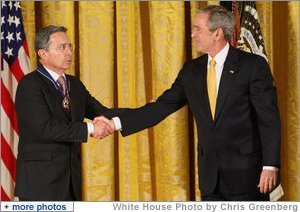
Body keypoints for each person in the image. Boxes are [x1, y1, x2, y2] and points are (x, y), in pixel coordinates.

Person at [103, 5, 281, 201]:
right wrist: (114, 123)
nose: (192, 35)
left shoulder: (253, 66)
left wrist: (270, 165)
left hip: (248, 177)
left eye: (197, 29)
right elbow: (161, 107)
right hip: (209, 179)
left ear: (217, 33)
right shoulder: (191, 71)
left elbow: (269, 120)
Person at [14, 25, 122, 201]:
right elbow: (45, 128)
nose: (69, 52)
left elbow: (103, 112)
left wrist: (143, 110)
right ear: (43, 54)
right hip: (40, 184)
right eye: (62, 47)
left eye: (70, 46)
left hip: (70, 183)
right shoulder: (30, 85)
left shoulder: (74, 85)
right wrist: (90, 128)